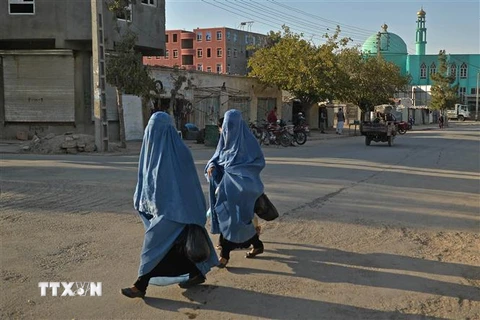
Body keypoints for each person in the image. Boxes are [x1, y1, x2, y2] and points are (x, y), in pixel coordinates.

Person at [121, 112, 218, 299]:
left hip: (177, 210)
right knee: (174, 247)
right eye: (150, 129)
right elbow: (146, 181)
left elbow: (189, 186)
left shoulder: (180, 152)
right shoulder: (150, 151)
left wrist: (188, 210)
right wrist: (142, 201)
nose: (152, 133)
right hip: (161, 209)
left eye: (155, 129)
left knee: (153, 244)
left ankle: (140, 284)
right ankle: (196, 273)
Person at [206, 109, 265, 268]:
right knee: (231, 220)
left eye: (231, 125)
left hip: (244, 190)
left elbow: (258, 163)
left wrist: (236, 173)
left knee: (237, 221)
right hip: (226, 190)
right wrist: (212, 166)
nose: (228, 129)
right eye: (227, 125)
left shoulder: (249, 142)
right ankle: (255, 245)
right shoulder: (224, 140)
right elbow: (217, 157)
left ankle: (225, 255)